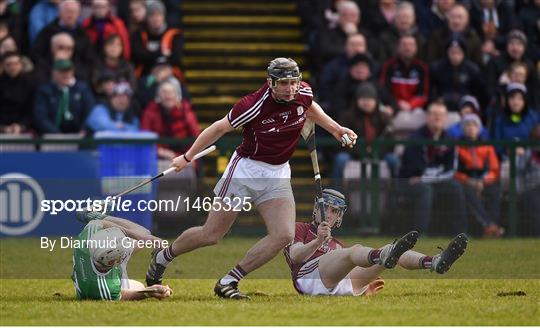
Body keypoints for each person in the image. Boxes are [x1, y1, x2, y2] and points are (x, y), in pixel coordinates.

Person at [144, 57, 358, 299]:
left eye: (294, 82)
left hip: (277, 173)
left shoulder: (303, 92)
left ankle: (229, 281)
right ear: (270, 82)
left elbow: (310, 107)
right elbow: (217, 128)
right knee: (211, 235)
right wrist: (187, 156)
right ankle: (164, 255)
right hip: (245, 172)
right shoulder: (253, 104)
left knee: (284, 235)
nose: (290, 88)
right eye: (283, 83)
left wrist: (336, 128)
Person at [284, 188, 468, 296]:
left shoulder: (337, 244)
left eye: (335, 211)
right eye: (325, 208)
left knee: (391, 248)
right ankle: (382, 256)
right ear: (316, 209)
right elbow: (295, 255)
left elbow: (341, 270)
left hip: (336, 285)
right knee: (353, 251)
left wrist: (365, 287)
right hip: (306, 279)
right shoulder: (299, 228)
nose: (329, 214)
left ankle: (434, 262)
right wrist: (317, 241)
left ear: (340, 215)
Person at [398, 101, 467, 234]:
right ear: (427, 116)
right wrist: (429, 175)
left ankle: (460, 233)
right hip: (409, 182)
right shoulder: (416, 138)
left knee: (456, 187)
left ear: (446, 118)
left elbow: (450, 169)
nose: (437, 118)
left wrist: (427, 177)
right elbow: (415, 169)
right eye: (434, 114)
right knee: (425, 190)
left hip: (431, 180)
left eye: (441, 115)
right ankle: (418, 234)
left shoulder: (449, 139)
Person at [73, 210, 172, 301]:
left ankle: (96, 215)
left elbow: (99, 223)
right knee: (139, 286)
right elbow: (124, 295)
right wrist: (148, 292)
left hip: (101, 265)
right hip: (98, 282)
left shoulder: (87, 239)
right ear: (114, 262)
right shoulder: (105, 288)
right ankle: (95, 215)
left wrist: (141, 237)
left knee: (143, 234)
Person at [455, 113, 504, 237]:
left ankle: (490, 226)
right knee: (468, 192)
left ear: (479, 128)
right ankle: (490, 226)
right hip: (466, 182)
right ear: (463, 129)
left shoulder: (487, 146)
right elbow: (454, 170)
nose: (471, 127)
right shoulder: (457, 146)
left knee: (495, 192)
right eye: (467, 125)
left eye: (474, 125)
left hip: (484, 181)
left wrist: (483, 181)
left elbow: (494, 169)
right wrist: (468, 180)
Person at [140, 78, 200, 159]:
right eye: (164, 92)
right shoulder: (150, 111)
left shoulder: (186, 111)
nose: (167, 95)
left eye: (171, 92)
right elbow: (144, 138)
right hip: (158, 157)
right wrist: (160, 152)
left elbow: (196, 137)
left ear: (177, 95)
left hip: (185, 157)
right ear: (158, 95)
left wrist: (186, 156)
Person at [33, 58, 95, 134]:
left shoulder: (83, 89)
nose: (66, 74)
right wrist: (56, 134)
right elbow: (41, 117)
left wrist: (83, 130)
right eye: (62, 72)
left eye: (68, 71)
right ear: (53, 73)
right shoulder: (45, 91)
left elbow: (90, 112)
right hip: (52, 136)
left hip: (80, 136)